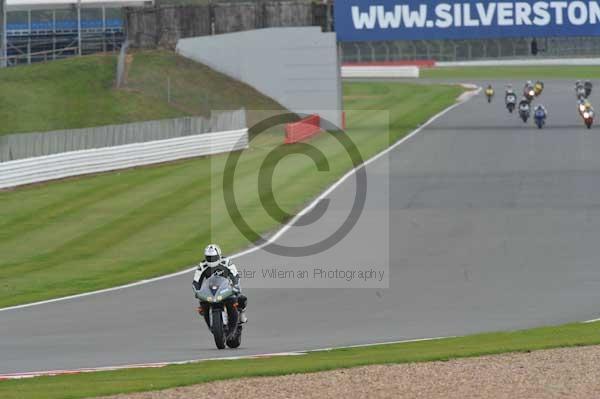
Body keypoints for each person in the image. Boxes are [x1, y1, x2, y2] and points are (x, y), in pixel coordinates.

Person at [193, 244, 248, 323]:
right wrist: (197, 291)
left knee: (241, 298)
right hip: (210, 290)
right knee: (202, 303)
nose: (211, 260)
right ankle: (208, 318)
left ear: (219, 255)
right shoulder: (202, 266)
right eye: (209, 258)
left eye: (213, 257)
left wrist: (235, 285)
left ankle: (242, 314)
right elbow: (196, 281)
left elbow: (235, 275)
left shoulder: (226, 262)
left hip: (226, 288)